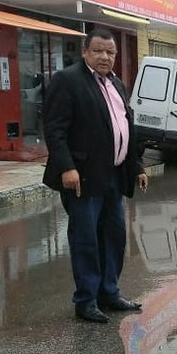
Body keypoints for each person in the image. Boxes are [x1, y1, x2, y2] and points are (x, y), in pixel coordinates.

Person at [42, 28, 148, 324]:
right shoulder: (68, 81)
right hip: (83, 177)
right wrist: (66, 167)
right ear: (85, 51)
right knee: (86, 239)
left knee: (114, 237)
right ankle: (86, 299)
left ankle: (109, 293)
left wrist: (136, 166)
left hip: (113, 175)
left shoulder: (116, 84)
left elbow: (126, 127)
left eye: (110, 52)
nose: (105, 57)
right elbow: (55, 128)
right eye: (99, 50)